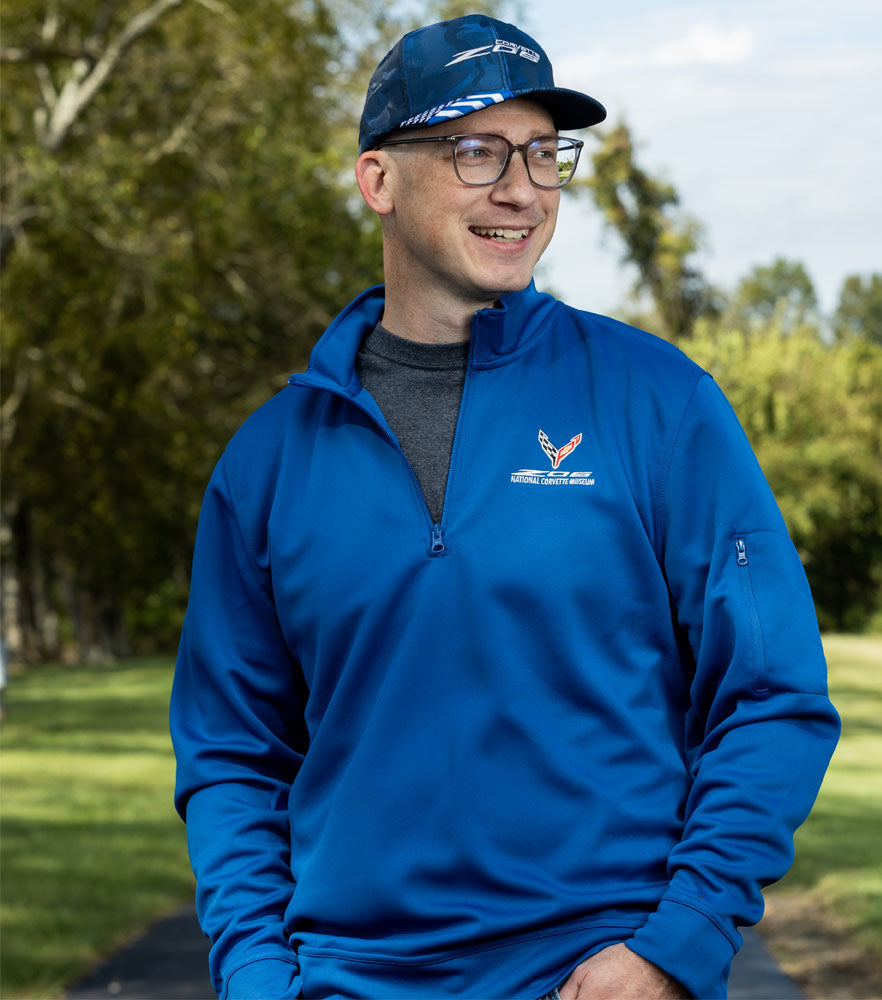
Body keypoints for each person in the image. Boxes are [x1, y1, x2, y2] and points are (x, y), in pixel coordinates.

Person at [170, 14, 840, 1000]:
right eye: (476, 151)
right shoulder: (269, 460)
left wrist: (678, 944)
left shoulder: (658, 402)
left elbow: (772, 693)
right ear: (378, 180)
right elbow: (232, 753)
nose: (521, 188)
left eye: (542, 152)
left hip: (597, 971)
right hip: (350, 978)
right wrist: (258, 976)